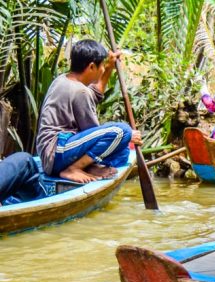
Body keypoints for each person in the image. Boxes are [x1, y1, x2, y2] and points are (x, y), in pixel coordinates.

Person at [36, 39, 140, 184]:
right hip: (57, 152)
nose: (103, 69)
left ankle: (87, 167)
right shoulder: (80, 91)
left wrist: (109, 68)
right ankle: (73, 169)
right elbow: (93, 131)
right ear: (91, 66)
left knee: (122, 153)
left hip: (52, 154)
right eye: (102, 66)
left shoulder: (62, 80)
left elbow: (94, 94)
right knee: (122, 131)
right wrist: (127, 136)